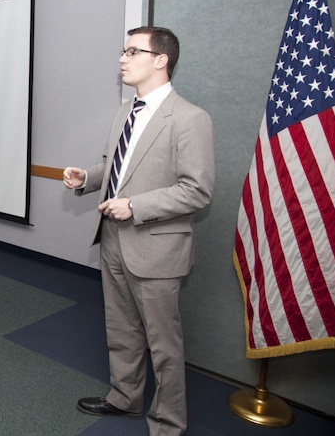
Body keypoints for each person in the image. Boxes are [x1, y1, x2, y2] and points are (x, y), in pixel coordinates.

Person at [63, 26, 214, 436]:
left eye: (132, 51)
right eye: (123, 50)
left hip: (156, 249)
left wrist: (136, 206)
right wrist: (86, 178)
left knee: (164, 346)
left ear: (161, 59)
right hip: (112, 240)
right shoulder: (125, 112)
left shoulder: (190, 119)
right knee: (121, 327)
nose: (122, 58)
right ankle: (125, 398)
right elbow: (116, 167)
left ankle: (167, 423)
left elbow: (197, 191)